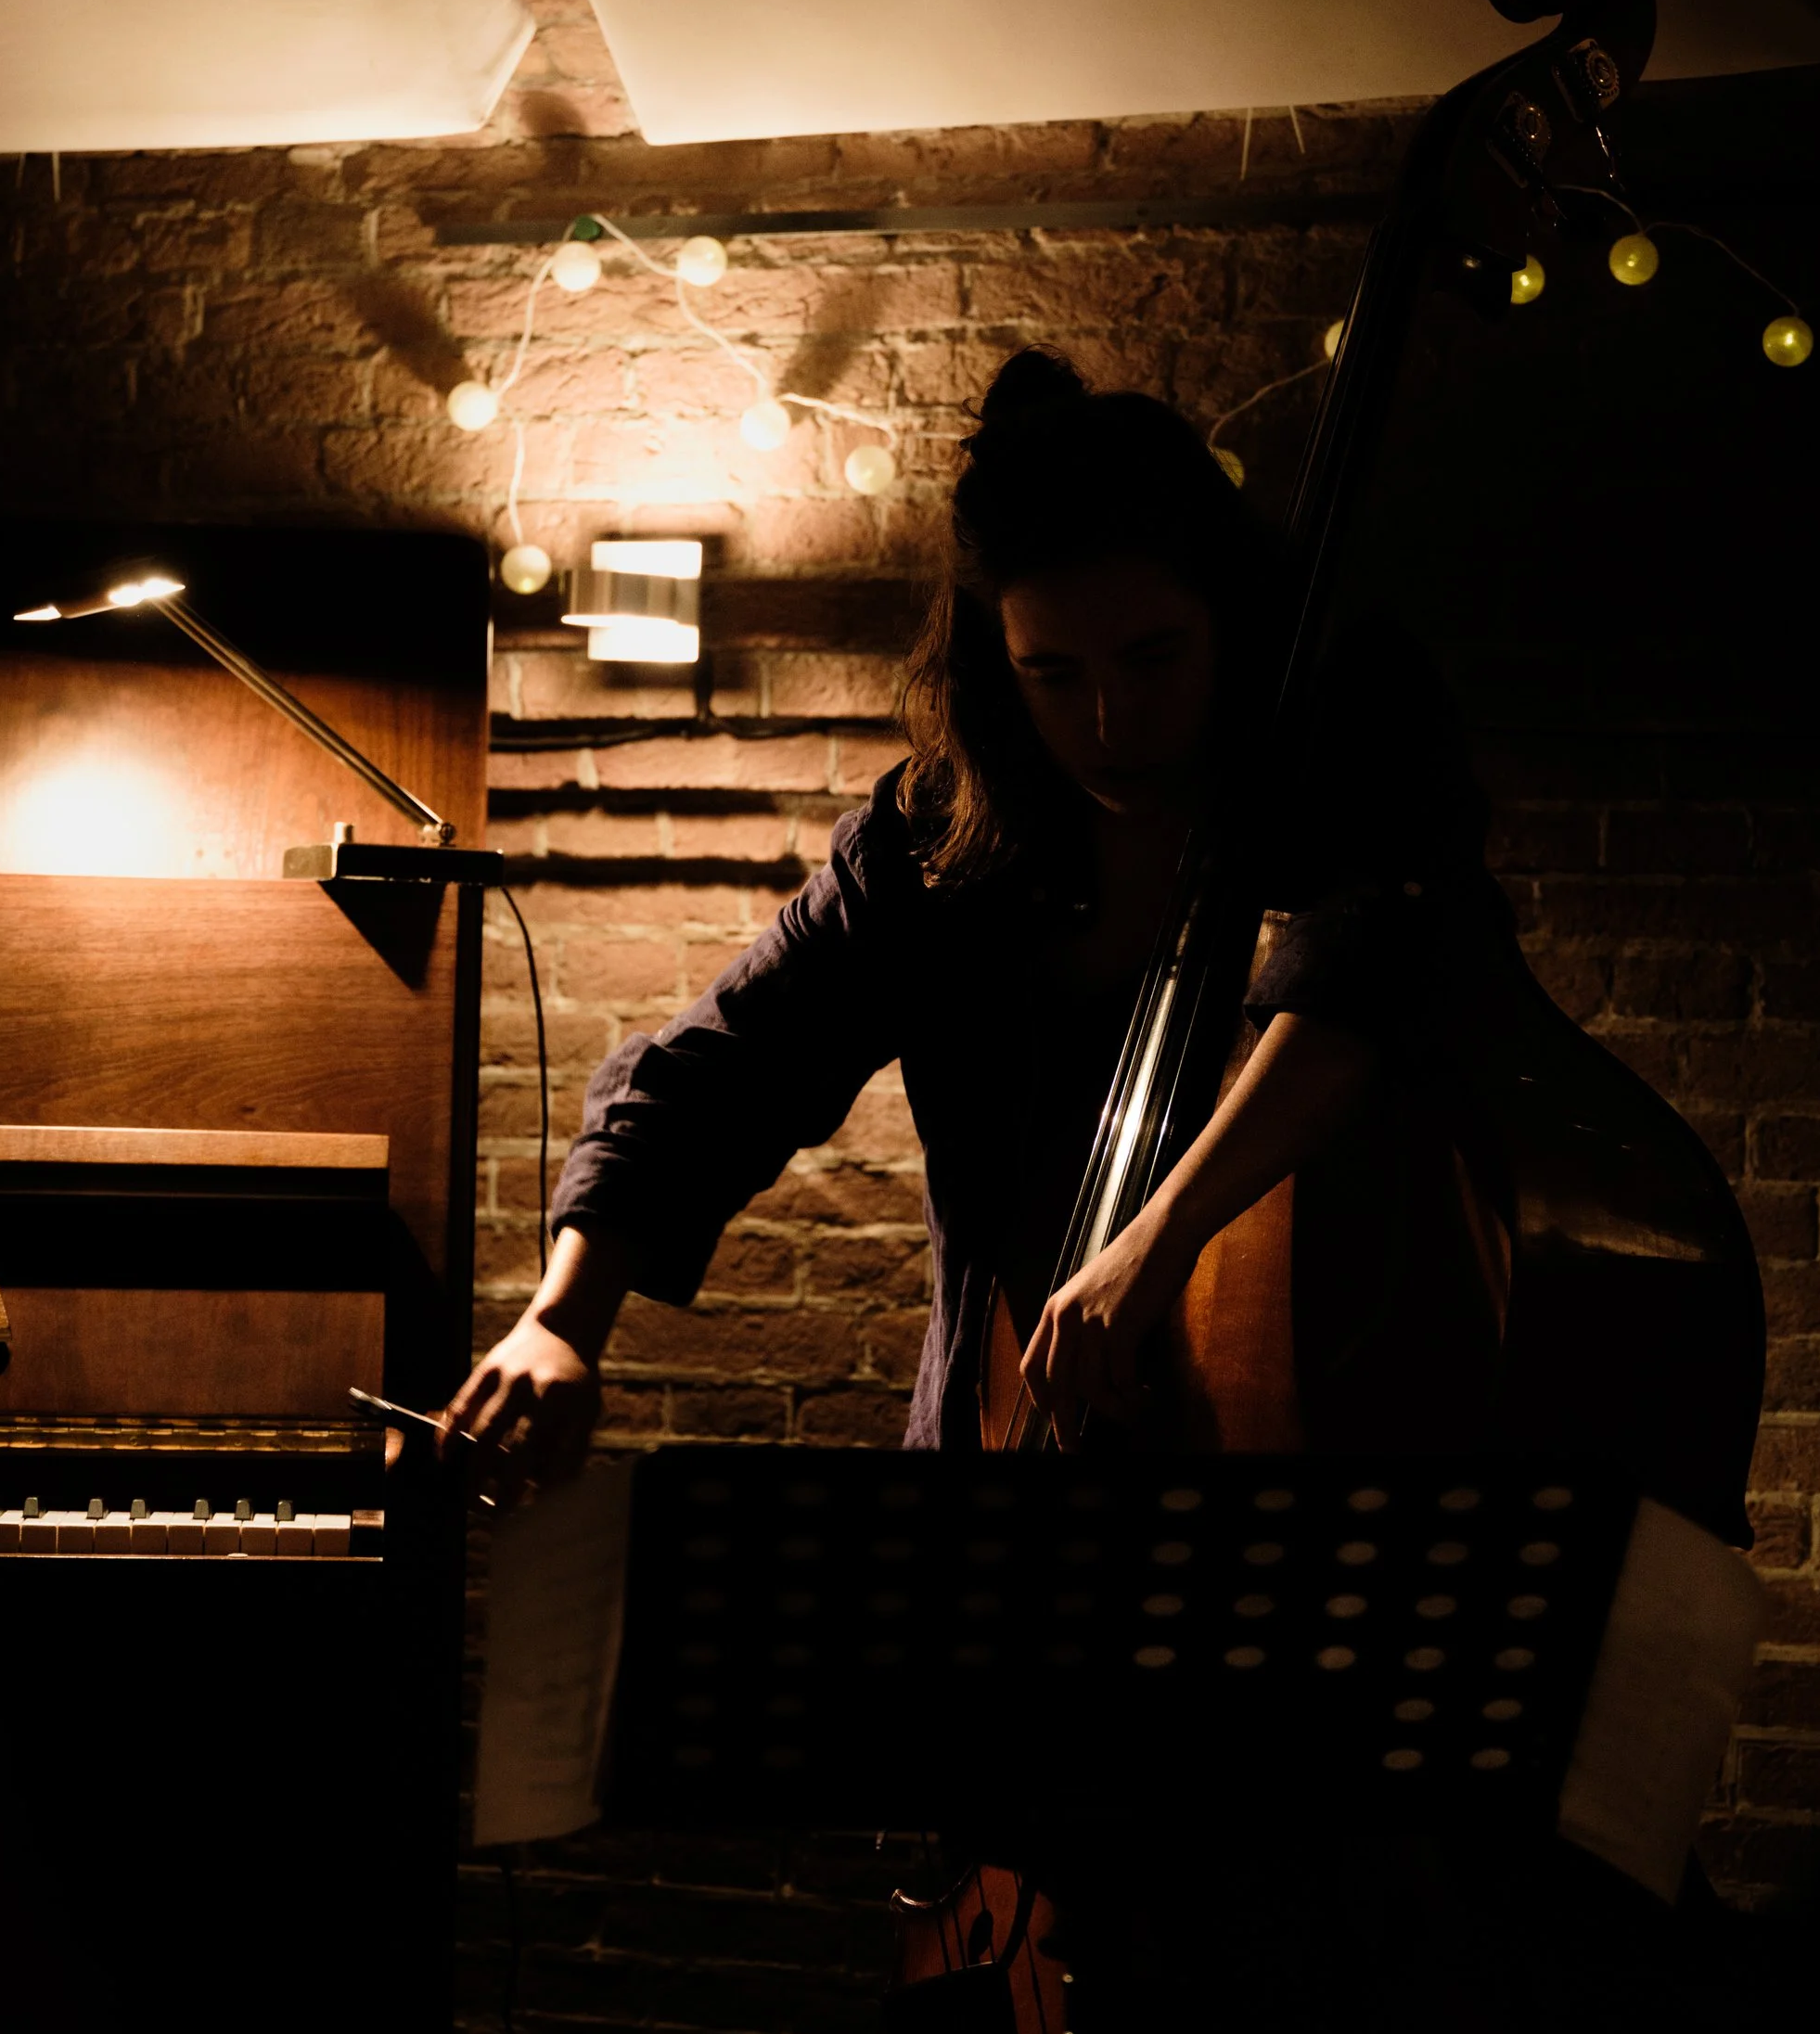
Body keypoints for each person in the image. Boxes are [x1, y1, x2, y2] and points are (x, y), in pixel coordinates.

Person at [442, 344, 1499, 1490]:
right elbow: (715, 1074)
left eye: (1153, 658)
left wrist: (1151, 1246)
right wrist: (561, 1319)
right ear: (999, 662)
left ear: (1227, 623)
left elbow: (1372, 962)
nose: (1109, 719)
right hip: (998, 1451)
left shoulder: (1340, 791)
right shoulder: (931, 845)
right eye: (1052, 674)